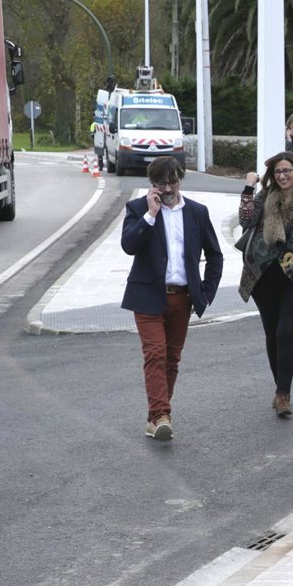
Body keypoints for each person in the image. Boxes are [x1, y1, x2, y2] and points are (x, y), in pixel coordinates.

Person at [121, 156, 223, 440]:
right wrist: (150, 215)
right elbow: (128, 245)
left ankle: (154, 417)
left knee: (171, 360)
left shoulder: (197, 212)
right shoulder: (138, 208)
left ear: (180, 180)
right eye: (161, 183)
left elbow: (215, 255)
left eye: (172, 182)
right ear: (152, 184)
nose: (167, 188)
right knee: (155, 354)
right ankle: (162, 416)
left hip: (181, 298)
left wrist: (205, 292)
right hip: (147, 297)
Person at [237, 151, 293, 418]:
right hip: (262, 275)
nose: (282, 175)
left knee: (286, 333)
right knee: (272, 333)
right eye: (278, 172)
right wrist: (249, 188)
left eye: (287, 170)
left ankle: (283, 394)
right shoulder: (265, 197)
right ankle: (280, 390)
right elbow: (245, 220)